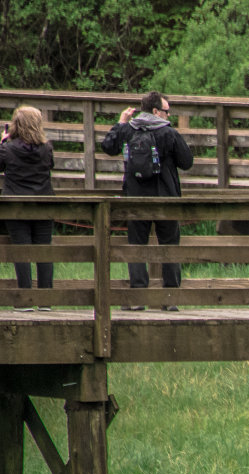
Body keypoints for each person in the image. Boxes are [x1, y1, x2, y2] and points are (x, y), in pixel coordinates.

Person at [100, 91, 193, 310]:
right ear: (155, 111)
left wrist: (120, 122)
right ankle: (170, 300)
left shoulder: (129, 129)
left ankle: (138, 299)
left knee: (136, 246)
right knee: (169, 246)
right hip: (165, 198)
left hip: (136, 198)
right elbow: (187, 162)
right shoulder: (168, 133)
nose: (168, 115)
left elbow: (108, 146)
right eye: (166, 111)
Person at [0, 105, 55, 305]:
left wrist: (2, 142)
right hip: (43, 204)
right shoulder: (47, 148)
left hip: (16, 205)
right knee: (44, 250)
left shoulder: (8, 148)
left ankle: (24, 299)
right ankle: (46, 299)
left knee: (21, 251)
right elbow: (50, 165)